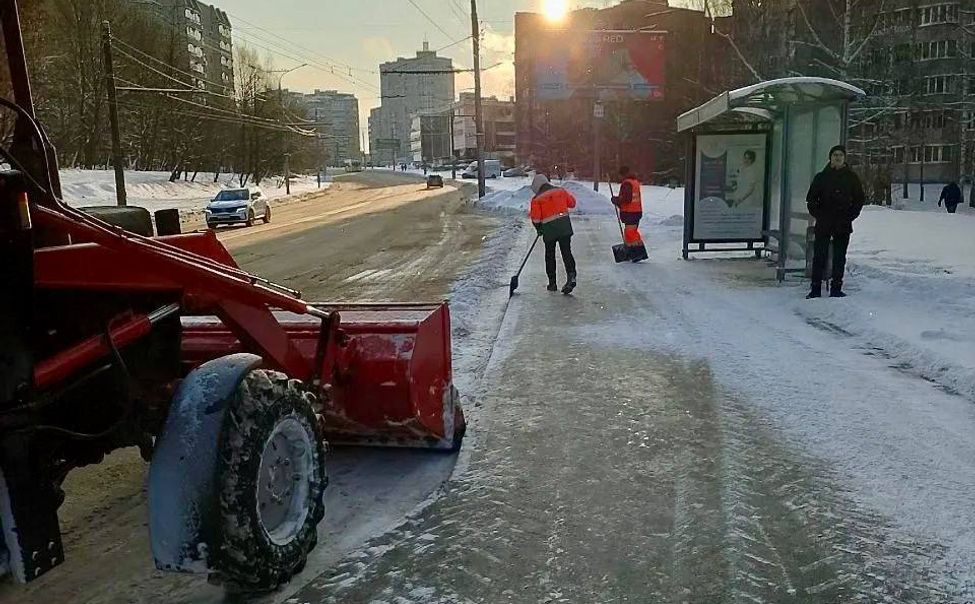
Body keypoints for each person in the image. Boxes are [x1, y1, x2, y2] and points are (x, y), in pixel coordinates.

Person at [805, 145, 865, 299]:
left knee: (840, 257)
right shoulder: (821, 177)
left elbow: (859, 199)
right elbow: (811, 199)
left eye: (840, 155)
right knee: (819, 255)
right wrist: (819, 214)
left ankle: (836, 288)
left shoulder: (851, 177)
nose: (837, 157)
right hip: (824, 223)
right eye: (835, 155)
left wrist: (850, 215)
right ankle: (815, 288)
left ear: (844, 158)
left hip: (843, 223)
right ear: (830, 158)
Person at [529, 174, 577, 294]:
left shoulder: (536, 199)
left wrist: (539, 228)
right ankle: (571, 276)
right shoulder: (560, 191)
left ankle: (552, 283)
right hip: (564, 227)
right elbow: (572, 203)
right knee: (566, 252)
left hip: (549, 230)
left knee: (550, 255)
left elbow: (536, 219)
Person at [611, 166, 645, 261]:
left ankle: (638, 253)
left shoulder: (627, 184)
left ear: (622, 174)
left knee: (630, 233)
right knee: (630, 233)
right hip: (636, 211)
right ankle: (634, 253)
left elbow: (626, 199)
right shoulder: (634, 182)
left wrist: (616, 200)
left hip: (631, 212)